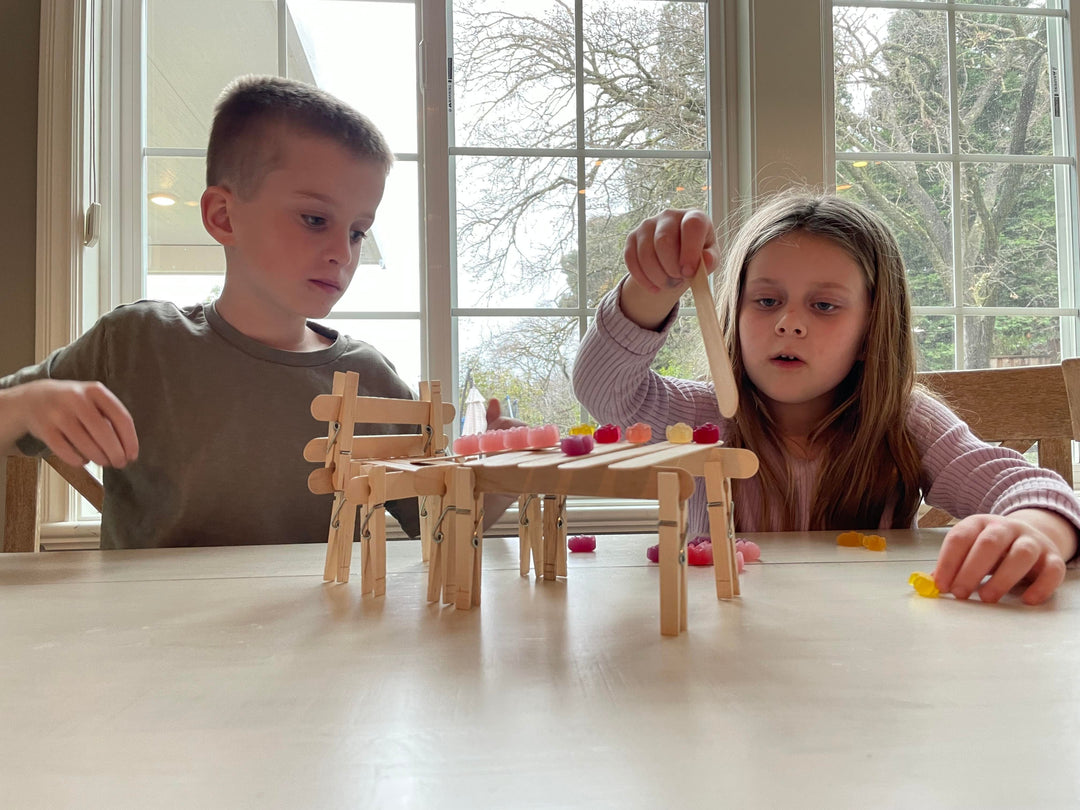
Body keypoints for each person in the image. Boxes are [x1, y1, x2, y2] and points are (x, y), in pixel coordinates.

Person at [0, 75, 513, 549]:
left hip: (327, 642)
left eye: (358, 231)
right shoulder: (135, 342)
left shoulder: (371, 379)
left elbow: (438, 525)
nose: (344, 251)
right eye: (315, 219)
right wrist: (27, 405)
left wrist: (498, 469)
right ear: (223, 217)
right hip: (152, 639)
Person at [572, 191, 1080, 605]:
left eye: (825, 305)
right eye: (766, 301)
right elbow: (602, 387)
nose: (789, 321)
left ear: (869, 331)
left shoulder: (903, 421)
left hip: (868, 650)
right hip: (724, 646)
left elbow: (1027, 488)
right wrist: (652, 287)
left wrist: (1034, 531)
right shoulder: (701, 420)